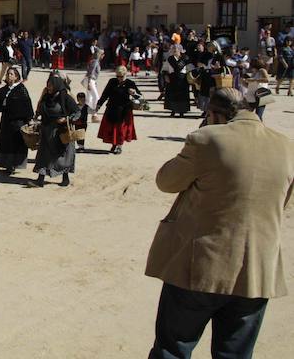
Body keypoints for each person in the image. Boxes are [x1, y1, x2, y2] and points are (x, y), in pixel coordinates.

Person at [145, 88, 294, 359]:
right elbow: (281, 203)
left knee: (172, 349)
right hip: (257, 270)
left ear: (213, 114)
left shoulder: (207, 139)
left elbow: (166, 181)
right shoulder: (287, 146)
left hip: (201, 265)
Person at [29, 72, 79, 187]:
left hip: (61, 132)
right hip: (47, 130)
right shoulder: (47, 97)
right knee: (43, 155)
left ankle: (65, 178)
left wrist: (66, 119)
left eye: (51, 85)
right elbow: (40, 108)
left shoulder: (65, 97)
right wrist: (36, 116)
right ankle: (40, 179)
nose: (49, 87)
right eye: (48, 85)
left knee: (62, 156)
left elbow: (77, 112)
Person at [0, 66, 33, 175]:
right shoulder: (3, 90)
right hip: (6, 122)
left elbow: (27, 105)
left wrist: (29, 120)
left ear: (17, 76)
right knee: (5, 143)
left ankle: (14, 165)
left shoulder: (21, 89)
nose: (9, 76)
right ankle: (7, 165)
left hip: (18, 122)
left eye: (11, 74)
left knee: (16, 143)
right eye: (8, 74)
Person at [96, 66, 140, 154]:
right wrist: (99, 104)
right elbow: (105, 94)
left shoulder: (130, 83)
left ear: (125, 75)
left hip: (124, 110)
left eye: (121, 76)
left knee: (121, 129)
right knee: (111, 129)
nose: (119, 78)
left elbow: (140, 97)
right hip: (112, 108)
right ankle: (114, 144)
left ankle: (119, 146)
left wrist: (134, 93)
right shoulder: (112, 81)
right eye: (118, 76)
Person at [163, 45, 190, 117]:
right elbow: (164, 69)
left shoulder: (185, 58)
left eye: (177, 49)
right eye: (174, 49)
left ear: (180, 50)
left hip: (182, 79)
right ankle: (173, 110)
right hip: (172, 78)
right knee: (173, 95)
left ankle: (182, 112)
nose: (175, 50)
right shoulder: (170, 59)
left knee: (182, 96)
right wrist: (166, 76)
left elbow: (190, 68)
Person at [82, 50, 103, 122]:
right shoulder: (95, 62)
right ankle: (94, 115)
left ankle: (84, 113)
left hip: (91, 81)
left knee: (89, 98)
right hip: (90, 80)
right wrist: (89, 83)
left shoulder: (93, 61)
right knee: (96, 97)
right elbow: (91, 73)